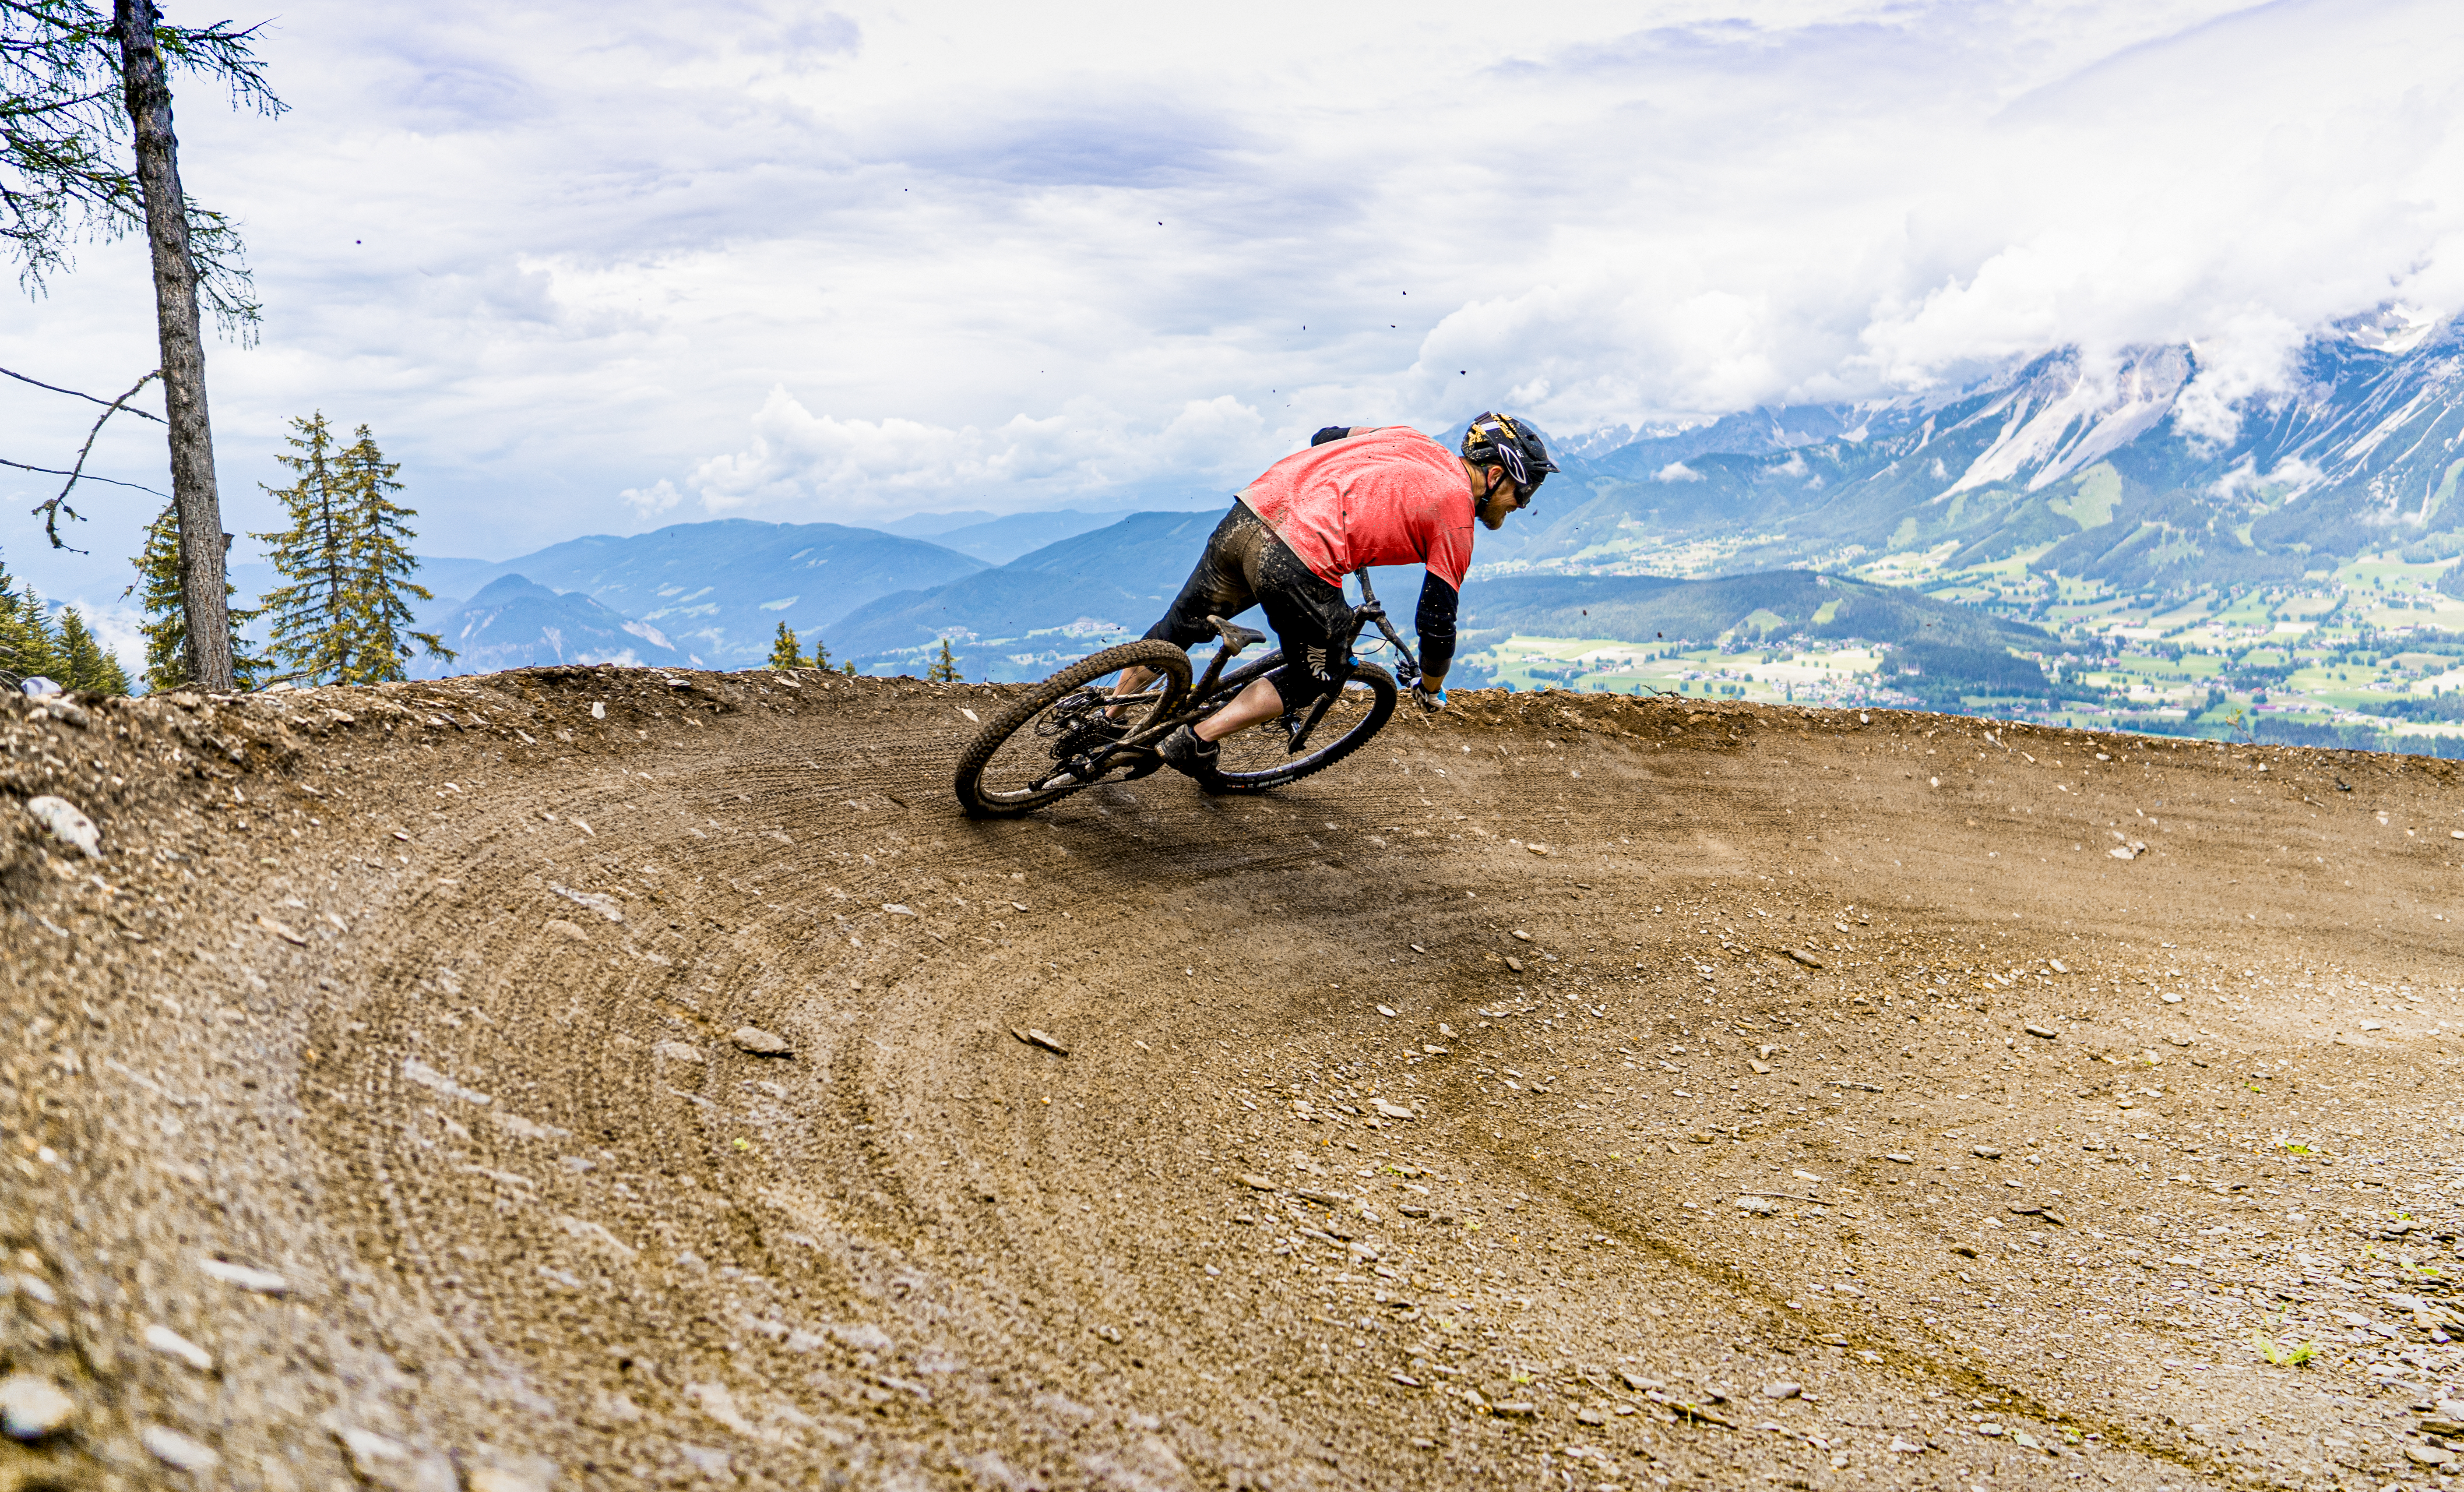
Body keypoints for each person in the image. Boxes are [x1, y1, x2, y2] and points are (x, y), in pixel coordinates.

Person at [1110, 412, 1555, 780]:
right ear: (1496, 475)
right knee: (1319, 672)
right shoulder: (1456, 513)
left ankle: (1104, 718)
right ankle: (1196, 740)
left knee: (1180, 625)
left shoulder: (1408, 437)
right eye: (1524, 491)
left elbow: (1324, 437)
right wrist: (1431, 686)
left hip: (1252, 511)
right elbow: (1437, 623)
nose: (1522, 503)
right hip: (1296, 558)